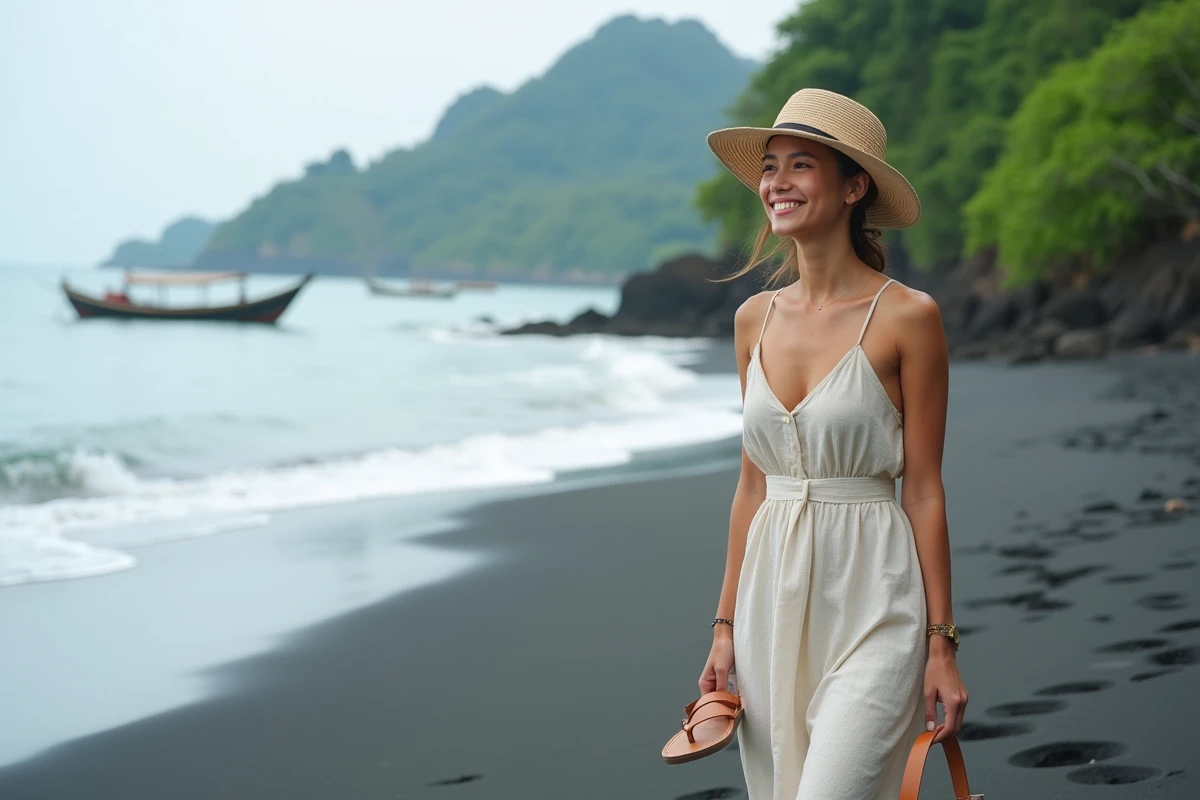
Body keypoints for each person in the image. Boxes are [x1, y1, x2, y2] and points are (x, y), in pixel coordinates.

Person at [699, 88, 969, 798]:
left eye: (801, 165)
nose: (777, 183)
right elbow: (751, 486)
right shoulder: (753, 320)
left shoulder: (908, 316)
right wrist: (724, 627)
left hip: (875, 594)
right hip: (768, 602)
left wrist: (942, 643)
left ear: (854, 188)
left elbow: (924, 489)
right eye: (770, 167)